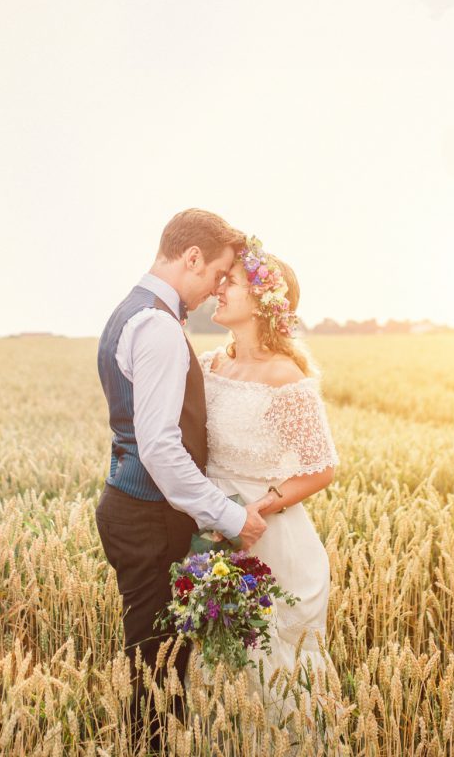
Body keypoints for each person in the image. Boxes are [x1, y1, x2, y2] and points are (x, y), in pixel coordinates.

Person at [94, 210, 275, 750]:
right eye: (217, 273)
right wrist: (229, 515)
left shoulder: (133, 311)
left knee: (155, 668)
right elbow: (159, 448)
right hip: (148, 520)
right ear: (190, 257)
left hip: (133, 510)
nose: (216, 288)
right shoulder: (156, 327)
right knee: (157, 677)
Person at [186, 234, 340, 739]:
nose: (217, 289)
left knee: (273, 667)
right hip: (214, 529)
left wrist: (256, 510)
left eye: (228, 282)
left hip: (267, 537)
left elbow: (321, 467)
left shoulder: (283, 376)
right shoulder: (210, 365)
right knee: (220, 660)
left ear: (262, 300)